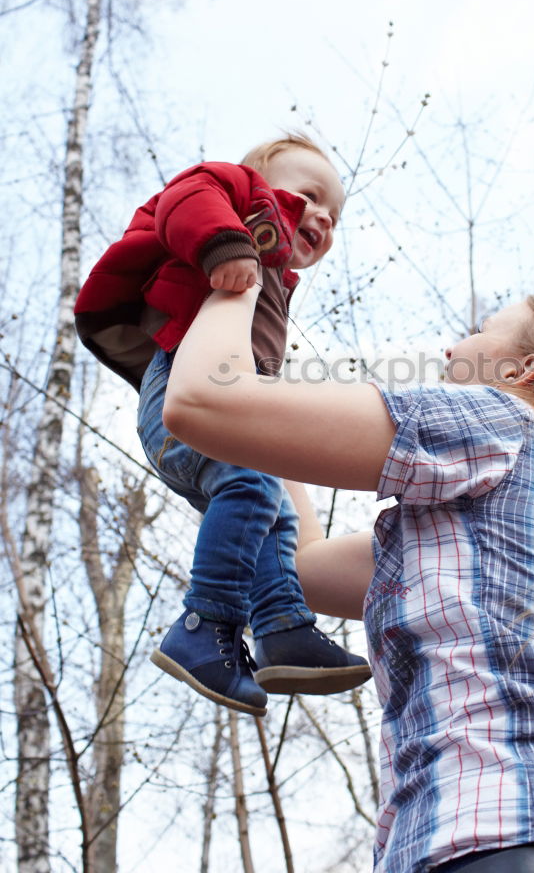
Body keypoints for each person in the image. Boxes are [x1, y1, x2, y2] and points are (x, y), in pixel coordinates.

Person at [162, 284, 534, 873]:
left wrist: (238, 283)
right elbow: (302, 570)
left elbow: (198, 403)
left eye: (480, 329)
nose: (454, 346)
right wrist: (262, 410)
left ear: (524, 369)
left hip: (500, 833)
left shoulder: (502, 419)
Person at [74, 134, 371, 717]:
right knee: (257, 487)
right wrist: (223, 243)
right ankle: (204, 622)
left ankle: (282, 624)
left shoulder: (275, 282)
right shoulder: (235, 195)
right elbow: (187, 198)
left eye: (334, 217)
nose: (322, 217)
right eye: (309, 195)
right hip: (178, 388)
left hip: (223, 406)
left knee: (274, 511)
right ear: (258, 176)